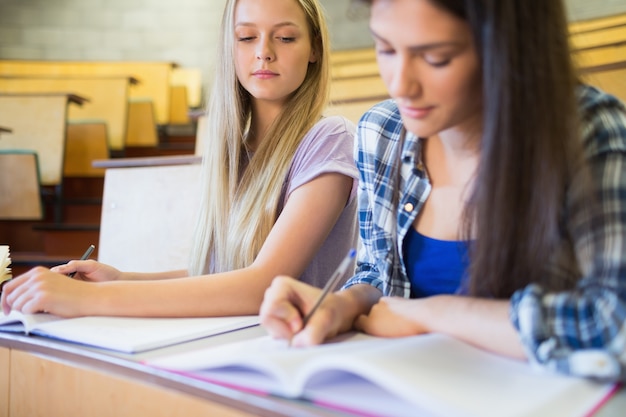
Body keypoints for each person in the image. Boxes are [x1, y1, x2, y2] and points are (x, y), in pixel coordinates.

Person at [260, 0, 626, 382]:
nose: (400, 85)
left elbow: (615, 324)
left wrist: (434, 313)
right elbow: (379, 274)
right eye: (385, 48)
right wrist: (345, 303)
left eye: (436, 57)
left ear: (509, 48)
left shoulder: (588, 133)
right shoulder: (380, 133)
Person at [1, 0, 359, 318]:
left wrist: (87, 299)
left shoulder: (330, 138)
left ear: (313, 47)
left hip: (297, 352)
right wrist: (121, 279)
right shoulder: (233, 151)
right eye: (247, 37)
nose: (263, 52)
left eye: (284, 37)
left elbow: (261, 285)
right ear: (229, 48)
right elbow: (222, 276)